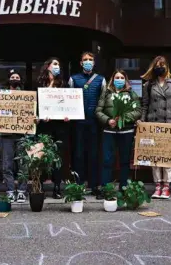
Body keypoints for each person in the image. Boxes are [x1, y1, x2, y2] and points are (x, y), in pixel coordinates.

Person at [138, 56, 171, 199]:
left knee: (167, 156)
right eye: (157, 65)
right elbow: (145, 105)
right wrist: (142, 121)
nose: (160, 67)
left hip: (169, 124)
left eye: (162, 65)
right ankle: (157, 185)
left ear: (167, 67)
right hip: (153, 124)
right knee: (155, 157)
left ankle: (166, 186)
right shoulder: (148, 85)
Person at [95, 70, 141, 198]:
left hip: (126, 131)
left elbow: (138, 111)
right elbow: (98, 111)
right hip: (109, 131)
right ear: (112, 79)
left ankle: (124, 189)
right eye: (117, 77)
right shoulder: (106, 92)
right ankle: (106, 189)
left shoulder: (131, 93)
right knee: (107, 160)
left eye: (122, 77)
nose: (119, 80)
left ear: (125, 80)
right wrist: (108, 120)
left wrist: (124, 118)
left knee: (125, 161)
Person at [68, 52, 106, 193]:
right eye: (85, 60)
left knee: (94, 153)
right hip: (78, 122)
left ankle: (94, 184)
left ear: (94, 63)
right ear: (81, 63)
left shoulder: (101, 80)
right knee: (78, 153)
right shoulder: (73, 79)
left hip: (94, 122)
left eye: (90, 60)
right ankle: (79, 184)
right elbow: (68, 100)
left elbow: (103, 100)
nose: (88, 62)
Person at [0, 69, 28, 203]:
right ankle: (10, 191)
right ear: (9, 79)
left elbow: (34, 113)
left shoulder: (26, 96)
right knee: (7, 165)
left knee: (23, 164)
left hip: (23, 134)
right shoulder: (1, 96)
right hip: (6, 135)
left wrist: (36, 119)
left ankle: (22, 191)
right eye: (13, 76)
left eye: (17, 77)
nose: (15, 78)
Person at [36, 57, 70, 199]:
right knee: (42, 155)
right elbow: (35, 104)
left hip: (60, 125)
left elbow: (69, 103)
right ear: (48, 66)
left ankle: (57, 187)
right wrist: (39, 115)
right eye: (55, 64)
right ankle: (41, 187)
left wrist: (68, 115)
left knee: (58, 156)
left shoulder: (63, 84)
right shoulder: (40, 84)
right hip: (44, 125)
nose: (57, 67)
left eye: (59, 65)